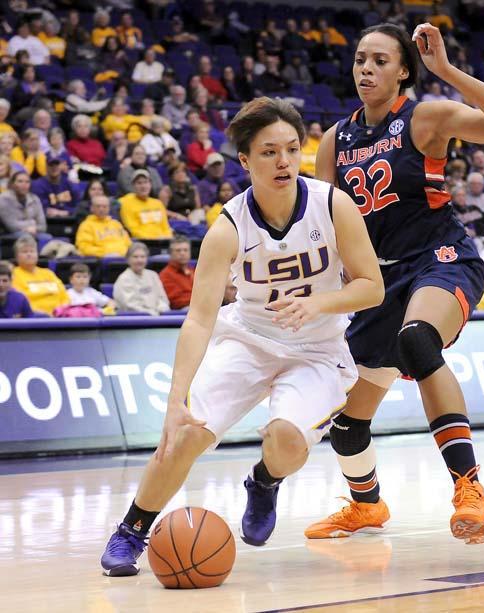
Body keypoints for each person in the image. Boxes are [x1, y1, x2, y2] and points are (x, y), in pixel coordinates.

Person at [100, 97, 384, 575]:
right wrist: (175, 400)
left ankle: (264, 481)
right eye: (270, 152)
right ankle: (131, 530)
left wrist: (317, 302)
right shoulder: (228, 228)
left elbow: (371, 287)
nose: (284, 161)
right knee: (183, 434)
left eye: (292, 149)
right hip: (248, 337)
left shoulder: (333, 205)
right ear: (246, 160)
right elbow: (198, 320)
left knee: (287, 440)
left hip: (316, 348)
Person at [304, 22, 484, 544]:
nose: (366, 68)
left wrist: (447, 72)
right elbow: (325, 228)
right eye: (361, 59)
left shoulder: (425, 116)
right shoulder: (333, 141)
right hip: (378, 281)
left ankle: (469, 489)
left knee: (417, 338)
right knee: (345, 426)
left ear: (403, 70)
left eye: (380, 60)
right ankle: (366, 507)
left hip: (439, 259)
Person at [11, 234, 69, 315]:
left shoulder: (48, 273)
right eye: (25, 252)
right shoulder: (13, 275)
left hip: (59, 316)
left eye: (32, 251)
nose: (29, 254)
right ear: (17, 257)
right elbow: (20, 301)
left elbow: (64, 296)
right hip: (34, 318)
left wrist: (62, 310)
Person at [113, 242, 170, 315]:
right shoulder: (123, 279)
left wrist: (161, 310)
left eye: (142, 257)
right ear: (128, 259)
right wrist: (151, 313)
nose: (139, 260)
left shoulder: (153, 275)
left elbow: (163, 299)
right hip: (135, 320)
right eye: (135, 257)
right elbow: (130, 306)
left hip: (157, 316)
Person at [119, 169, 173, 240]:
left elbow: (166, 227)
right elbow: (133, 229)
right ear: (133, 186)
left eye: (146, 182)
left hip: (163, 241)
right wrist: (154, 238)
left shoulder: (158, 203)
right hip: (143, 241)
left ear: (150, 184)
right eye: (139, 183)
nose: (143, 186)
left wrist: (167, 238)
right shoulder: (125, 202)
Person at [0, 171, 47, 237]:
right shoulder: (4, 199)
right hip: (9, 235)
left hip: (33, 232)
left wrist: (35, 228)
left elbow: (43, 226)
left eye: (27, 182)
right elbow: (12, 226)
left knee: (47, 237)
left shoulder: (35, 199)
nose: (24, 185)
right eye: (20, 181)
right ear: (12, 184)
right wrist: (32, 223)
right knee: (26, 237)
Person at [159, 236, 195, 310]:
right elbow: (177, 302)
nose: (182, 253)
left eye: (185, 250)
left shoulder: (193, 271)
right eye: (178, 250)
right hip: (182, 312)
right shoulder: (165, 275)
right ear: (171, 253)